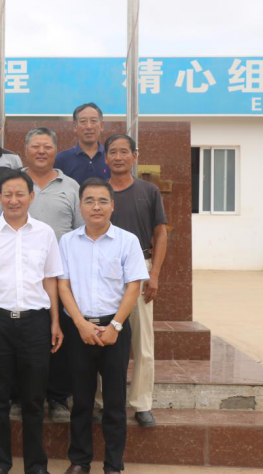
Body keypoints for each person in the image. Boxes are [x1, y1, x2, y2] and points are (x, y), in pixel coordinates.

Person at [0, 170, 64, 474]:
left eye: (20, 194)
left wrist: (55, 321)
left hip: (35, 323)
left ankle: (36, 465)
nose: (14, 200)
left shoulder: (45, 233)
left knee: (34, 400)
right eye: (7, 194)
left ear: (31, 197)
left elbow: (50, 279)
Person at [57, 178, 150, 474]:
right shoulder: (68, 242)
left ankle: (113, 464)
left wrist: (116, 326)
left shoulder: (127, 241)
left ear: (112, 205)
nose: (96, 206)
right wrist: (80, 324)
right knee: (81, 399)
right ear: (80, 206)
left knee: (114, 401)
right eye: (89, 201)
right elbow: (63, 286)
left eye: (102, 201)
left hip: (115, 329)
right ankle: (80, 460)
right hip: (79, 330)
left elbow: (133, 287)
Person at [0, 128, 83, 422]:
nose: (41, 151)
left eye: (47, 146)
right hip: (17, 276)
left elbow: (80, 231)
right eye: (35, 146)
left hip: (61, 277)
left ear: (56, 150)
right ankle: (19, 397)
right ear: (25, 150)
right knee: (20, 341)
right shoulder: (12, 184)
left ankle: (57, 398)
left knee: (58, 337)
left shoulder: (71, 186)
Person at [104, 134, 168, 428]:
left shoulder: (148, 190)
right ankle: (100, 401)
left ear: (134, 156)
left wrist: (154, 275)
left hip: (140, 267)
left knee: (142, 341)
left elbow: (160, 234)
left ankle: (142, 404)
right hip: (104, 270)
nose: (118, 157)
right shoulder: (99, 191)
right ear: (106, 157)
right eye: (112, 152)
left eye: (123, 152)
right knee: (102, 336)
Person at [54, 103, 111, 184]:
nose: (89, 126)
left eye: (93, 121)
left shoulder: (111, 157)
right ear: (75, 126)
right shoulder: (62, 159)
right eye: (83, 121)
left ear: (101, 125)